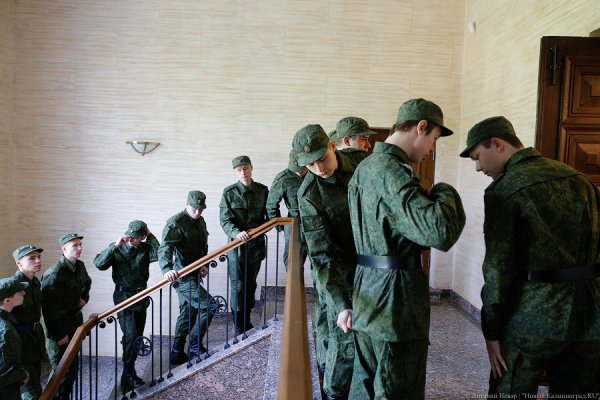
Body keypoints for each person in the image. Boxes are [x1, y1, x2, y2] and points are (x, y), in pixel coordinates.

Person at [459, 116, 600, 397]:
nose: (478, 167)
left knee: (511, 391)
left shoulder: (505, 190)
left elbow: (498, 268)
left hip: (531, 316)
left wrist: (491, 332)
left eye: (477, 157)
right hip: (590, 314)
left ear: (496, 144)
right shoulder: (580, 180)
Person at [339, 98, 465, 399]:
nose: (431, 149)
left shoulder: (365, 168)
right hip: (395, 304)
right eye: (434, 138)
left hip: (367, 293)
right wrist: (444, 191)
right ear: (421, 127)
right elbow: (440, 233)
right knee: (398, 387)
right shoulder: (394, 171)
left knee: (366, 384)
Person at [293, 124, 358, 400]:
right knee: (343, 339)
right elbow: (321, 254)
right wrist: (342, 303)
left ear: (333, 146)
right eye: (310, 164)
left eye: (322, 158)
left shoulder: (360, 163)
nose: (319, 168)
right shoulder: (309, 194)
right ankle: (333, 393)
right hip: (338, 270)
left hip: (374, 263)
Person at [94, 220, 159, 391]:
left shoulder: (145, 249)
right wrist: (115, 246)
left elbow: (159, 254)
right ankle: (129, 374)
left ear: (142, 237)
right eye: (129, 235)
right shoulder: (117, 248)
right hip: (123, 298)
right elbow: (99, 264)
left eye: (135, 237)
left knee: (136, 337)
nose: (130, 239)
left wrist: (150, 235)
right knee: (130, 336)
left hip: (141, 298)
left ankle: (127, 374)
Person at [158, 191, 213, 365]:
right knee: (210, 305)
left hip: (195, 273)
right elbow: (165, 248)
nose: (198, 212)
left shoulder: (200, 221)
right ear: (186, 204)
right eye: (194, 208)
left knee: (188, 312)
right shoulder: (176, 222)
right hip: (182, 276)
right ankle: (195, 345)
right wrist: (166, 269)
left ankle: (176, 351)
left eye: (201, 209)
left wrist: (204, 264)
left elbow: (202, 246)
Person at [219, 155, 269, 336]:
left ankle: (246, 320)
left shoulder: (263, 190)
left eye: (245, 168)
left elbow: (270, 215)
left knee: (250, 285)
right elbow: (225, 220)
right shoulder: (229, 193)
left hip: (256, 246)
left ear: (251, 168)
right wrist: (236, 233)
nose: (243, 172)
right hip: (237, 248)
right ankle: (238, 324)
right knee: (238, 286)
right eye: (239, 170)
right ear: (235, 172)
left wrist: (260, 229)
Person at [41, 233, 92, 400]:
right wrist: (59, 334)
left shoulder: (79, 266)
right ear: (64, 249)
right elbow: (49, 310)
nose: (79, 248)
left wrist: (84, 298)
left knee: (72, 368)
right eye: (74, 245)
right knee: (61, 371)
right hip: (59, 327)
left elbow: (87, 282)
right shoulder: (54, 273)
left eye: (80, 244)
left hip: (74, 322)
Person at [11, 245, 45, 400]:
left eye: (38, 257)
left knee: (36, 379)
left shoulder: (35, 282)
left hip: (35, 338)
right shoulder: (13, 286)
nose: (38, 261)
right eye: (32, 258)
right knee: (31, 392)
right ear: (19, 263)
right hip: (21, 343)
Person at [265, 149, 308, 269]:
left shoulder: (316, 172)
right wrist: (280, 227)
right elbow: (271, 205)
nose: (299, 172)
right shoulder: (283, 178)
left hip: (317, 223)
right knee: (293, 265)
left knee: (320, 264)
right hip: (294, 224)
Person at [0, 277, 30, 400]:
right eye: (19, 292)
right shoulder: (6, 330)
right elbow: (4, 370)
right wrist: (22, 375)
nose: (24, 293)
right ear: (7, 301)